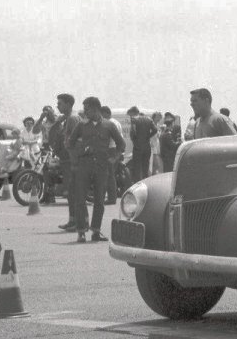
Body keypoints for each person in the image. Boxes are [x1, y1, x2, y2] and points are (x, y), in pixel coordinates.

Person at [66, 96, 125, 243]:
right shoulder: (81, 126)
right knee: (80, 200)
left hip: (102, 167)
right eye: (84, 109)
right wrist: (76, 158)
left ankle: (96, 231)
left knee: (99, 201)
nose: (85, 112)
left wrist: (114, 159)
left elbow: (121, 144)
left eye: (87, 109)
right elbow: (70, 144)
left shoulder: (109, 125)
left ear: (96, 109)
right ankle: (81, 232)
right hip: (83, 167)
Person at [53, 93, 81, 228]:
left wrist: (74, 159)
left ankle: (76, 222)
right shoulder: (67, 119)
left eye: (60, 103)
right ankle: (73, 221)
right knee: (71, 193)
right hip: (68, 160)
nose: (57, 106)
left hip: (72, 161)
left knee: (73, 192)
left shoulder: (73, 118)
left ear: (68, 104)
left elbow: (77, 140)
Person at [126, 107, 158, 182]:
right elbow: (155, 130)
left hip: (138, 147)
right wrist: (148, 136)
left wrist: (134, 140)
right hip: (147, 147)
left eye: (130, 114)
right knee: (145, 167)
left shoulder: (134, 119)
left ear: (133, 112)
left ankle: (138, 185)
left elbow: (133, 131)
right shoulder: (149, 119)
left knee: (137, 168)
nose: (130, 116)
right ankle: (146, 183)